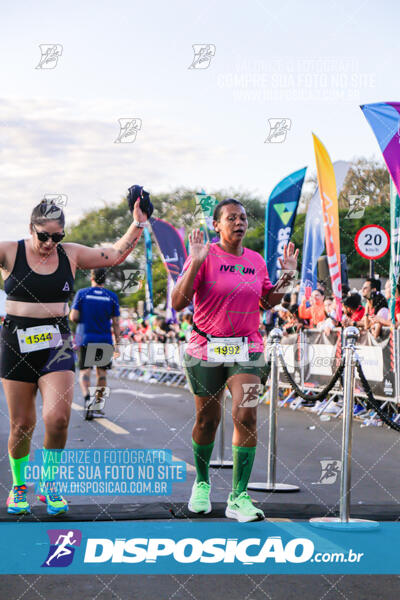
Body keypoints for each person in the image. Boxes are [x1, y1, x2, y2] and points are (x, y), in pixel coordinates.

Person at [0, 195, 147, 515]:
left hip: (56, 343)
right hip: (15, 342)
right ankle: (19, 486)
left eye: (57, 236)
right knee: (21, 425)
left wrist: (138, 222)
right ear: (31, 229)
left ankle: (50, 484)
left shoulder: (72, 254)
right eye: (43, 236)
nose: (50, 243)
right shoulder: (9, 250)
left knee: (58, 418)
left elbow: (114, 255)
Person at [172, 198, 298, 522]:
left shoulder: (255, 260)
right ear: (217, 225)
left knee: (247, 415)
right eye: (231, 218)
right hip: (206, 347)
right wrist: (197, 263)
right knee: (207, 421)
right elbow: (178, 302)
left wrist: (287, 278)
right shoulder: (204, 255)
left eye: (242, 218)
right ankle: (201, 483)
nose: (239, 222)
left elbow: (267, 301)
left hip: (248, 348)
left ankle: (239, 496)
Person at [69, 268, 121, 420]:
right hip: (104, 339)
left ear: (92, 277)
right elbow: (116, 322)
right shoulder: (112, 296)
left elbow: (73, 316)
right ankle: (96, 406)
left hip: (84, 338)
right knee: (102, 373)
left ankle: (86, 397)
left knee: (85, 372)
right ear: (105, 279)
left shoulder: (82, 293)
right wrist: (118, 342)